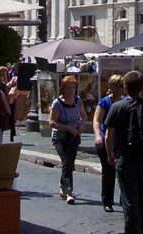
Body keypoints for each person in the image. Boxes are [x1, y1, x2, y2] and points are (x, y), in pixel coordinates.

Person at [105, 70, 143, 234]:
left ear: (125, 88)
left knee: (129, 199)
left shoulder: (118, 106)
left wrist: (110, 153)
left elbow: (109, 134)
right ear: (142, 88)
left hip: (125, 157)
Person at [49, 75, 86, 204]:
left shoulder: (78, 101)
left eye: (73, 87)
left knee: (70, 163)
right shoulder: (57, 103)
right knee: (66, 161)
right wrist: (67, 128)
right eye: (68, 87)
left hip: (74, 136)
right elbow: (52, 122)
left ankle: (62, 186)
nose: (71, 90)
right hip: (60, 137)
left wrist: (81, 126)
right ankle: (69, 192)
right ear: (63, 89)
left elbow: (84, 116)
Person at [93, 74, 127, 212]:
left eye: (123, 85)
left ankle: (123, 198)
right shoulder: (105, 102)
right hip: (107, 140)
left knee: (124, 172)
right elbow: (97, 121)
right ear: (112, 87)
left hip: (122, 141)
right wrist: (97, 136)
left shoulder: (126, 101)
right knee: (108, 172)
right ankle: (107, 201)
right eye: (120, 85)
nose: (123, 88)